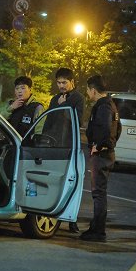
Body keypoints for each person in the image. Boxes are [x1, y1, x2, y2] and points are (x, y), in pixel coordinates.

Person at [80, 75, 121, 242]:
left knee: (98, 193)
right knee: (99, 193)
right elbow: (119, 129)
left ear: (93, 90)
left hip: (101, 155)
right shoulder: (110, 104)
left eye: (88, 90)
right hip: (106, 153)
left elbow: (105, 127)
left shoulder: (103, 107)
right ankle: (95, 227)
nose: (88, 93)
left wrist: (100, 146)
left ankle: (98, 231)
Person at [46, 68, 85, 233]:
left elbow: (77, 121)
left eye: (64, 82)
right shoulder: (55, 99)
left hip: (70, 146)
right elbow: (48, 121)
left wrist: (64, 107)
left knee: (72, 182)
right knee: (54, 183)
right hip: (54, 146)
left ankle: (71, 219)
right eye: (59, 82)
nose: (61, 86)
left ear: (72, 82)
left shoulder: (77, 98)